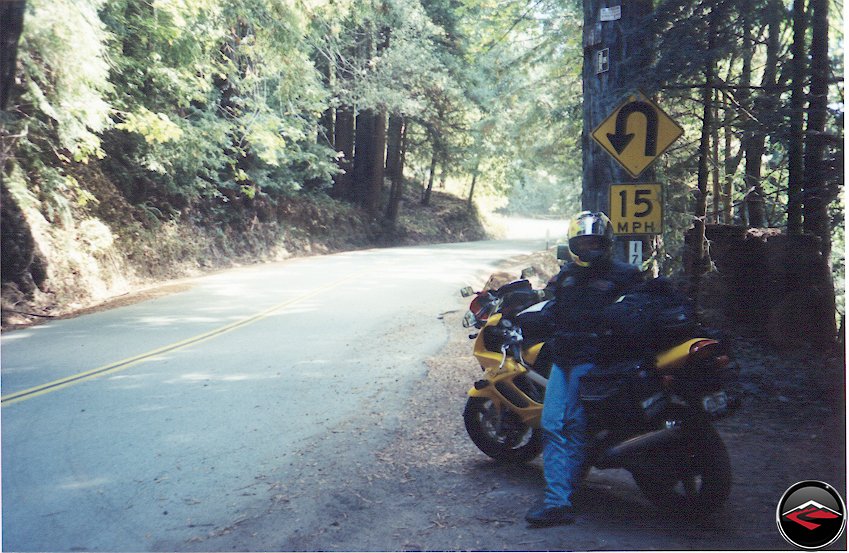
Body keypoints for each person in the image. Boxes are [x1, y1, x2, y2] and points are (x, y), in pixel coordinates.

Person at [525, 211, 644, 527]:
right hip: (563, 359)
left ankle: (559, 499)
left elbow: (636, 314)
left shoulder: (625, 275)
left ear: (605, 243)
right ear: (573, 245)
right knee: (553, 425)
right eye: (582, 242)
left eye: (594, 242)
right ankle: (560, 497)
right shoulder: (567, 276)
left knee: (572, 426)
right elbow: (553, 309)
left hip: (595, 361)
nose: (587, 248)